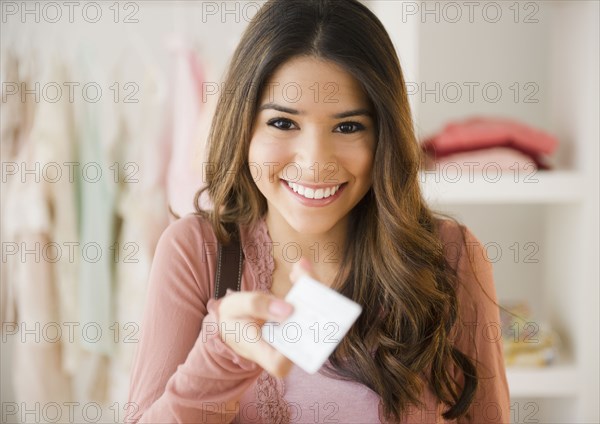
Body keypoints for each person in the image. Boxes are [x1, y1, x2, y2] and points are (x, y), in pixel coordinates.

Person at [126, 0, 510, 423]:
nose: (314, 163)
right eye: (283, 123)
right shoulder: (197, 253)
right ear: (244, 125)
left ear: (383, 134)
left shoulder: (451, 255)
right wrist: (220, 357)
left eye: (348, 127)